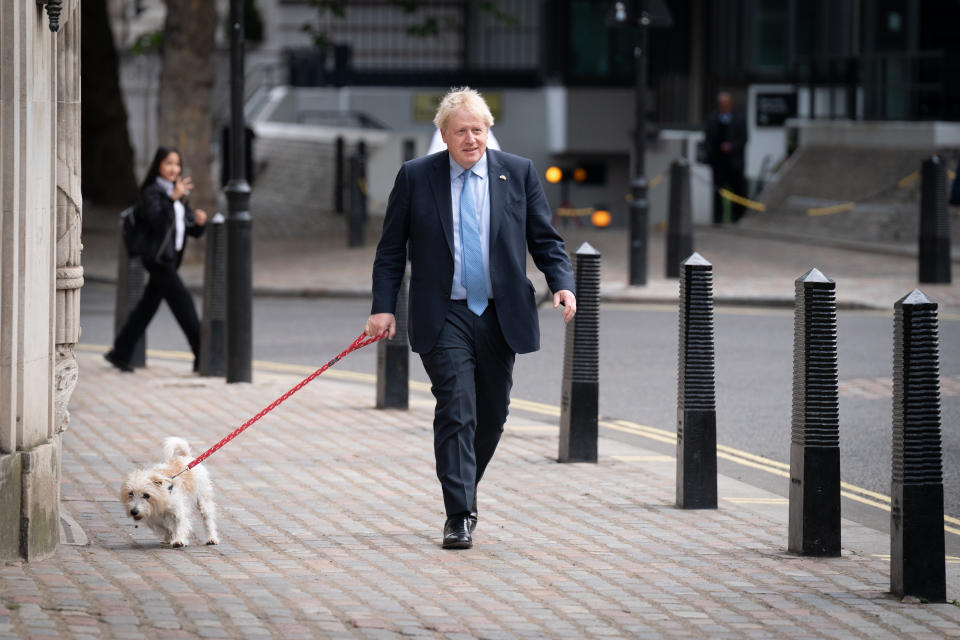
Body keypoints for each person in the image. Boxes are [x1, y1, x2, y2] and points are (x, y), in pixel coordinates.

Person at [365, 87, 576, 550]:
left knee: (492, 415)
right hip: (445, 313)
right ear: (443, 135)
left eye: (477, 130)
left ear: (488, 131)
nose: (471, 139)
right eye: (460, 131)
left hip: (501, 313)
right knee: (457, 409)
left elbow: (545, 238)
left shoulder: (516, 174)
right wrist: (383, 306)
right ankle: (458, 514)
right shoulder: (417, 177)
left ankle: (463, 486)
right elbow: (390, 251)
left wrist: (561, 281)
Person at [105, 146, 208, 373]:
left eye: (177, 164)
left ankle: (120, 352)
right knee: (185, 306)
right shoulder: (152, 193)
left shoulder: (176, 193)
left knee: (147, 308)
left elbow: (185, 227)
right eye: (168, 163)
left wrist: (199, 222)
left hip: (170, 260)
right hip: (158, 260)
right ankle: (203, 356)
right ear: (158, 166)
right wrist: (173, 198)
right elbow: (157, 222)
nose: (174, 168)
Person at [705, 91, 748, 224]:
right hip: (718, 162)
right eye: (721, 104)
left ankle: (737, 218)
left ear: (730, 104)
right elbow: (708, 140)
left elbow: (744, 139)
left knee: (737, 191)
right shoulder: (712, 118)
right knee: (717, 192)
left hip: (734, 162)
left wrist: (732, 146)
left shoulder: (739, 119)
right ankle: (718, 219)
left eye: (726, 103)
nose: (723, 106)